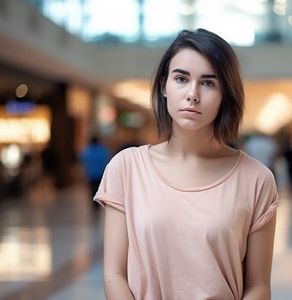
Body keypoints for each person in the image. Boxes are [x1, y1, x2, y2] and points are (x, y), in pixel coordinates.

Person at [94, 29, 279, 300]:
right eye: (181, 78)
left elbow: (259, 286)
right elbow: (114, 274)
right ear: (163, 86)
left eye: (208, 83)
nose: (192, 94)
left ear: (225, 95)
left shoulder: (256, 179)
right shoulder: (126, 168)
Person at [80, 136, 112, 209]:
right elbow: (108, 158)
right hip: (100, 173)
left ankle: (94, 203)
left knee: (92, 190)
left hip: (91, 174)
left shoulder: (88, 151)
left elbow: (82, 160)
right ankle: (98, 203)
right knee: (99, 189)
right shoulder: (102, 150)